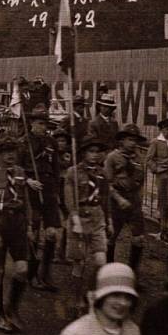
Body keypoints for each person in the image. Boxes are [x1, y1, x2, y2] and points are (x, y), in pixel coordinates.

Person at [56, 263, 144, 335]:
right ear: (100, 297)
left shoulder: (133, 331)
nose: (123, 303)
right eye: (115, 295)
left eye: (128, 297)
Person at [0, 136, 30, 333]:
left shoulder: (20, 173)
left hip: (17, 224)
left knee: (22, 269)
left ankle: (12, 307)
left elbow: (26, 201)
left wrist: (31, 227)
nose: (10, 156)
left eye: (13, 152)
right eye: (5, 153)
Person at [63, 134, 111, 315]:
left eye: (98, 152)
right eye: (91, 151)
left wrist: (109, 220)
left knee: (100, 261)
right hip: (80, 219)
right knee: (79, 263)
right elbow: (68, 199)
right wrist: (74, 219)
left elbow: (105, 199)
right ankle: (77, 299)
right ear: (83, 153)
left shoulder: (102, 173)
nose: (95, 155)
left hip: (97, 217)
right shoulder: (73, 172)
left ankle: (90, 294)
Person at [18, 106, 60, 292]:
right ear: (32, 123)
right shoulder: (23, 143)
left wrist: (56, 191)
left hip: (49, 189)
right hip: (31, 190)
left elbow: (56, 168)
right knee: (33, 232)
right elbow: (16, 170)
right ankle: (32, 274)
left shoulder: (52, 142)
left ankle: (46, 272)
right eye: (40, 123)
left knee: (52, 233)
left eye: (46, 123)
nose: (44, 127)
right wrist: (28, 181)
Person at [104, 124, 148, 271]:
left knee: (139, 239)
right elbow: (106, 184)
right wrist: (118, 199)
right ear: (121, 140)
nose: (133, 143)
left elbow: (141, 180)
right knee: (111, 237)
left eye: (135, 140)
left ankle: (132, 274)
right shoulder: (112, 157)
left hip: (134, 201)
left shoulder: (139, 158)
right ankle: (109, 272)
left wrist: (138, 199)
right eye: (130, 139)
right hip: (116, 201)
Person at [146, 117, 168, 243]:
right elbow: (149, 159)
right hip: (162, 177)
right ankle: (164, 230)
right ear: (161, 130)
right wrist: (157, 169)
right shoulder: (156, 142)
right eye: (166, 129)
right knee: (164, 203)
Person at [52, 128, 72, 263]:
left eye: (63, 141)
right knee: (53, 222)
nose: (61, 143)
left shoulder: (69, 155)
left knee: (67, 220)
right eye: (58, 140)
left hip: (65, 187)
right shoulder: (51, 155)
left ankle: (61, 252)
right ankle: (53, 251)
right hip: (54, 187)